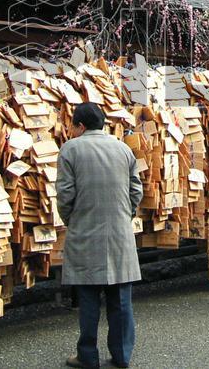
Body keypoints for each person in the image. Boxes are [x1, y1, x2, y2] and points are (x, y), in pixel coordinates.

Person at [57, 102, 144, 369]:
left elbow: (65, 195)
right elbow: (136, 191)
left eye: (72, 125)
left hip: (85, 231)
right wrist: (123, 216)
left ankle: (87, 355)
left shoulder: (70, 149)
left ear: (80, 126)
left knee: (88, 298)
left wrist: (72, 220)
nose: (70, 130)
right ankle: (121, 355)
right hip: (119, 234)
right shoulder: (123, 148)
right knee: (120, 300)